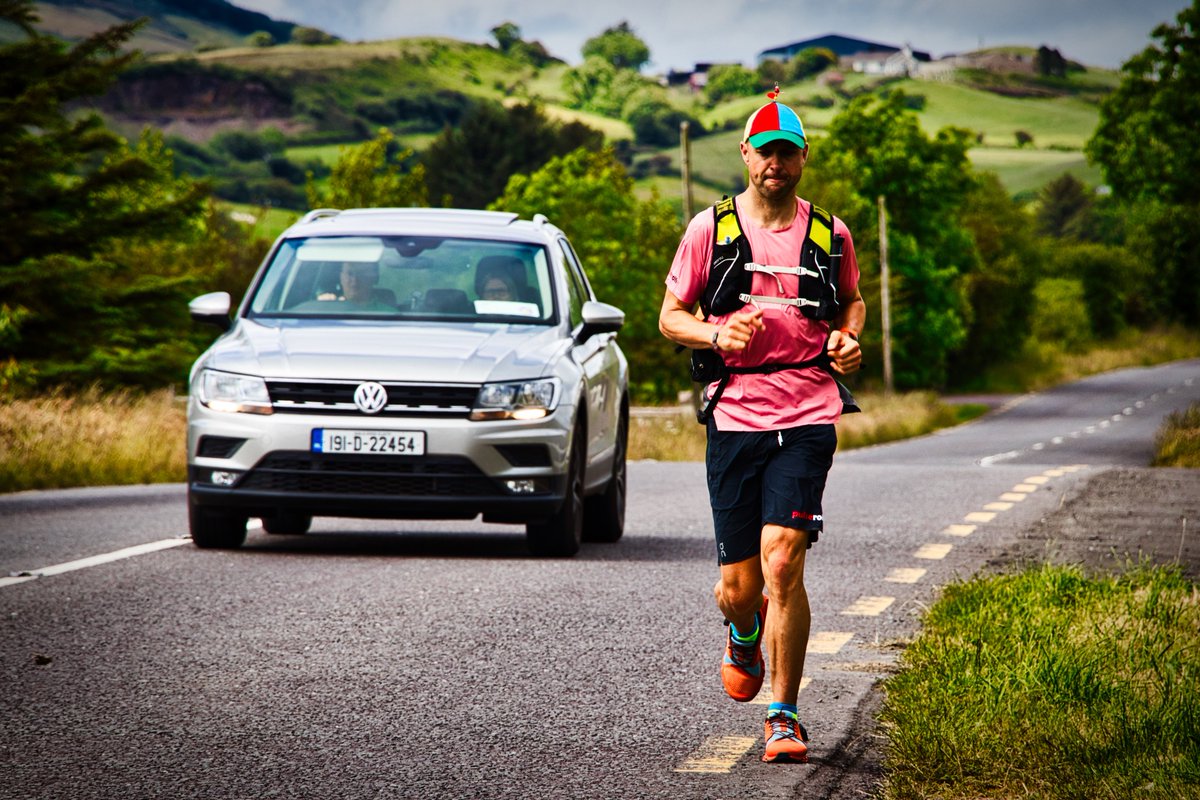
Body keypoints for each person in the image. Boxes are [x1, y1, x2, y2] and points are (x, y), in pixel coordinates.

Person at [658, 95, 865, 764]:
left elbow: (852, 301)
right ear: (746, 155)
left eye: (787, 151)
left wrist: (848, 339)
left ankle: (783, 715)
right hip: (735, 413)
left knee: (783, 560)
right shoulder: (710, 229)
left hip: (808, 410)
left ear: (803, 158)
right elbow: (670, 316)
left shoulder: (830, 235)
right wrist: (716, 334)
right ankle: (743, 630)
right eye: (765, 150)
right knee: (741, 587)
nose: (776, 161)